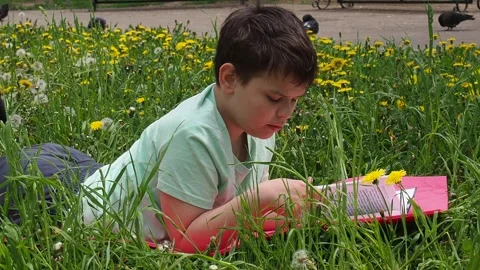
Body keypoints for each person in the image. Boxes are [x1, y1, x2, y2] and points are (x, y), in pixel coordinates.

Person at [0, 5, 318, 253]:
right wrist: (260, 198)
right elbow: (184, 242)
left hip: (100, 177)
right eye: (276, 98)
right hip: (59, 199)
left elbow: (236, 219)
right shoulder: (193, 134)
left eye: (294, 100)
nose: (286, 112)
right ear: (230, 79)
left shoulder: (260, 125)